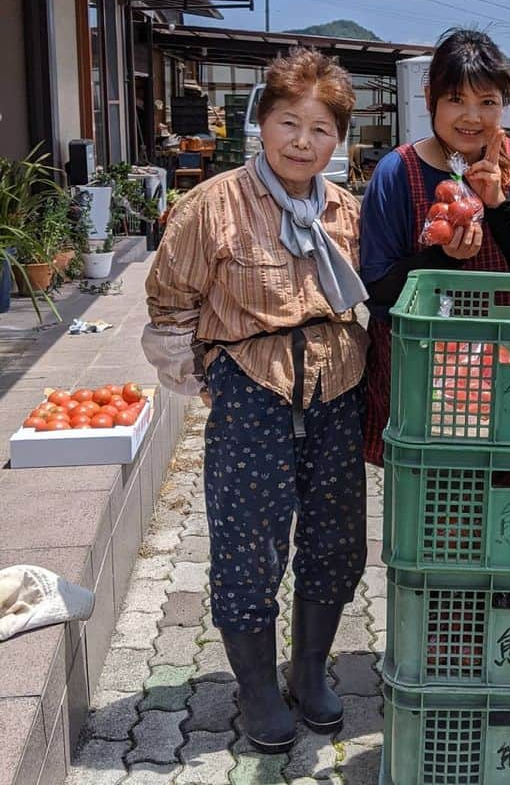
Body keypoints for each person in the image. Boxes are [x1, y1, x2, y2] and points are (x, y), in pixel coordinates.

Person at [143, 49, 370, 754]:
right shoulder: (211, 206)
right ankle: (257, 687)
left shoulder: (348, 212)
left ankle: (308, 671)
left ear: (339, 140)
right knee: (249, 546)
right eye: (288, 123)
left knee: (335, 540)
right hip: (252, 394)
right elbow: (169, 303)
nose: (302, 142)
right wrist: (204, 378)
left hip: (338, 389)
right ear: (261, 124)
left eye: (320, 129)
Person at [360, 27, 510, 464]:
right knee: (430, 510)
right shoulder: (396, 173)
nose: (472, 116)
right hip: (421, 378)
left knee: (508, 493)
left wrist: (498, 204)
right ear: (430, 99)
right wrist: (440, 259)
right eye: (456, 100)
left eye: (487, 102)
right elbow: (375, 289)